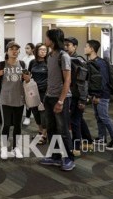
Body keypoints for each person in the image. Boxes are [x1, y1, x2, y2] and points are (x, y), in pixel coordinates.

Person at [39, 29, 75, 171]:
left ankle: (69, 158)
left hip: (62, 98)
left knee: (63, 129)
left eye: (46, 38)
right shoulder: (50, 55)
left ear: (52, 40)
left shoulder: (63, 56)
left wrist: (60, 101)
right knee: (52, 128)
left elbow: (67, 80)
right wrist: (47, 95)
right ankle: (55, 156)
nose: (45, 40)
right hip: (49, 97)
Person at [0, 41, 30, 159]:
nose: (14, 51)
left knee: (17, 125)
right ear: (7, 51)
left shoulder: (23, 64)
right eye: (11, 49)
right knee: (6, 124)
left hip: (19, 98)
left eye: (16, 49)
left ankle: (16, 148)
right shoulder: (1, 65)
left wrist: (27, 78)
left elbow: (27, 81)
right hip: (5, 99)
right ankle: (4, 148)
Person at [84, 40, 113, 150]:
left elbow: (103, 81)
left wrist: (98, 96)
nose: (84, 48)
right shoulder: (91, 62)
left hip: (102, 95)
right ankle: (102, 137)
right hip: (96, 94)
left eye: (86, 46)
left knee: (104, 117)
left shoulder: (100, 63)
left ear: (92, 49)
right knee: (99, 117)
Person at [64, 37, 93, 156]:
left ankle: (76, 146)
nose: (66, 47)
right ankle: (88, 141)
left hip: (77, 95)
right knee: (78, 119)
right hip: (70, 94)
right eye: (64, 45)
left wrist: (82, 99)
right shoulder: (67, 59)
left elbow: (83, 83)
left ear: (75, 46)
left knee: (75, 121)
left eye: (68, 45)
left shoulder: (78, 61)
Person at [27, 43, 48, 145]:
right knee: (35, 112)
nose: (43, 52)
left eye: (45, 50)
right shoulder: (32, 62)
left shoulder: (48, 62)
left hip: (45, 92)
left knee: (43, 113)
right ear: (36, 51)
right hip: (33, 91)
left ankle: (44, 135)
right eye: (41, 50)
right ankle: (40, 131)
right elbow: (29, 74)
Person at [22, 43, 36, 125]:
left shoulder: (34, 58)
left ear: (33, 49)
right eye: (25, 48)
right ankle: (25, 115)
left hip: (31, 80)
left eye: (28, 48)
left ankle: (27, 117)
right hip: (24, 80)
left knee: (30, 98)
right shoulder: (24, 58)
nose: (26, 50)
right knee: (25, 98)